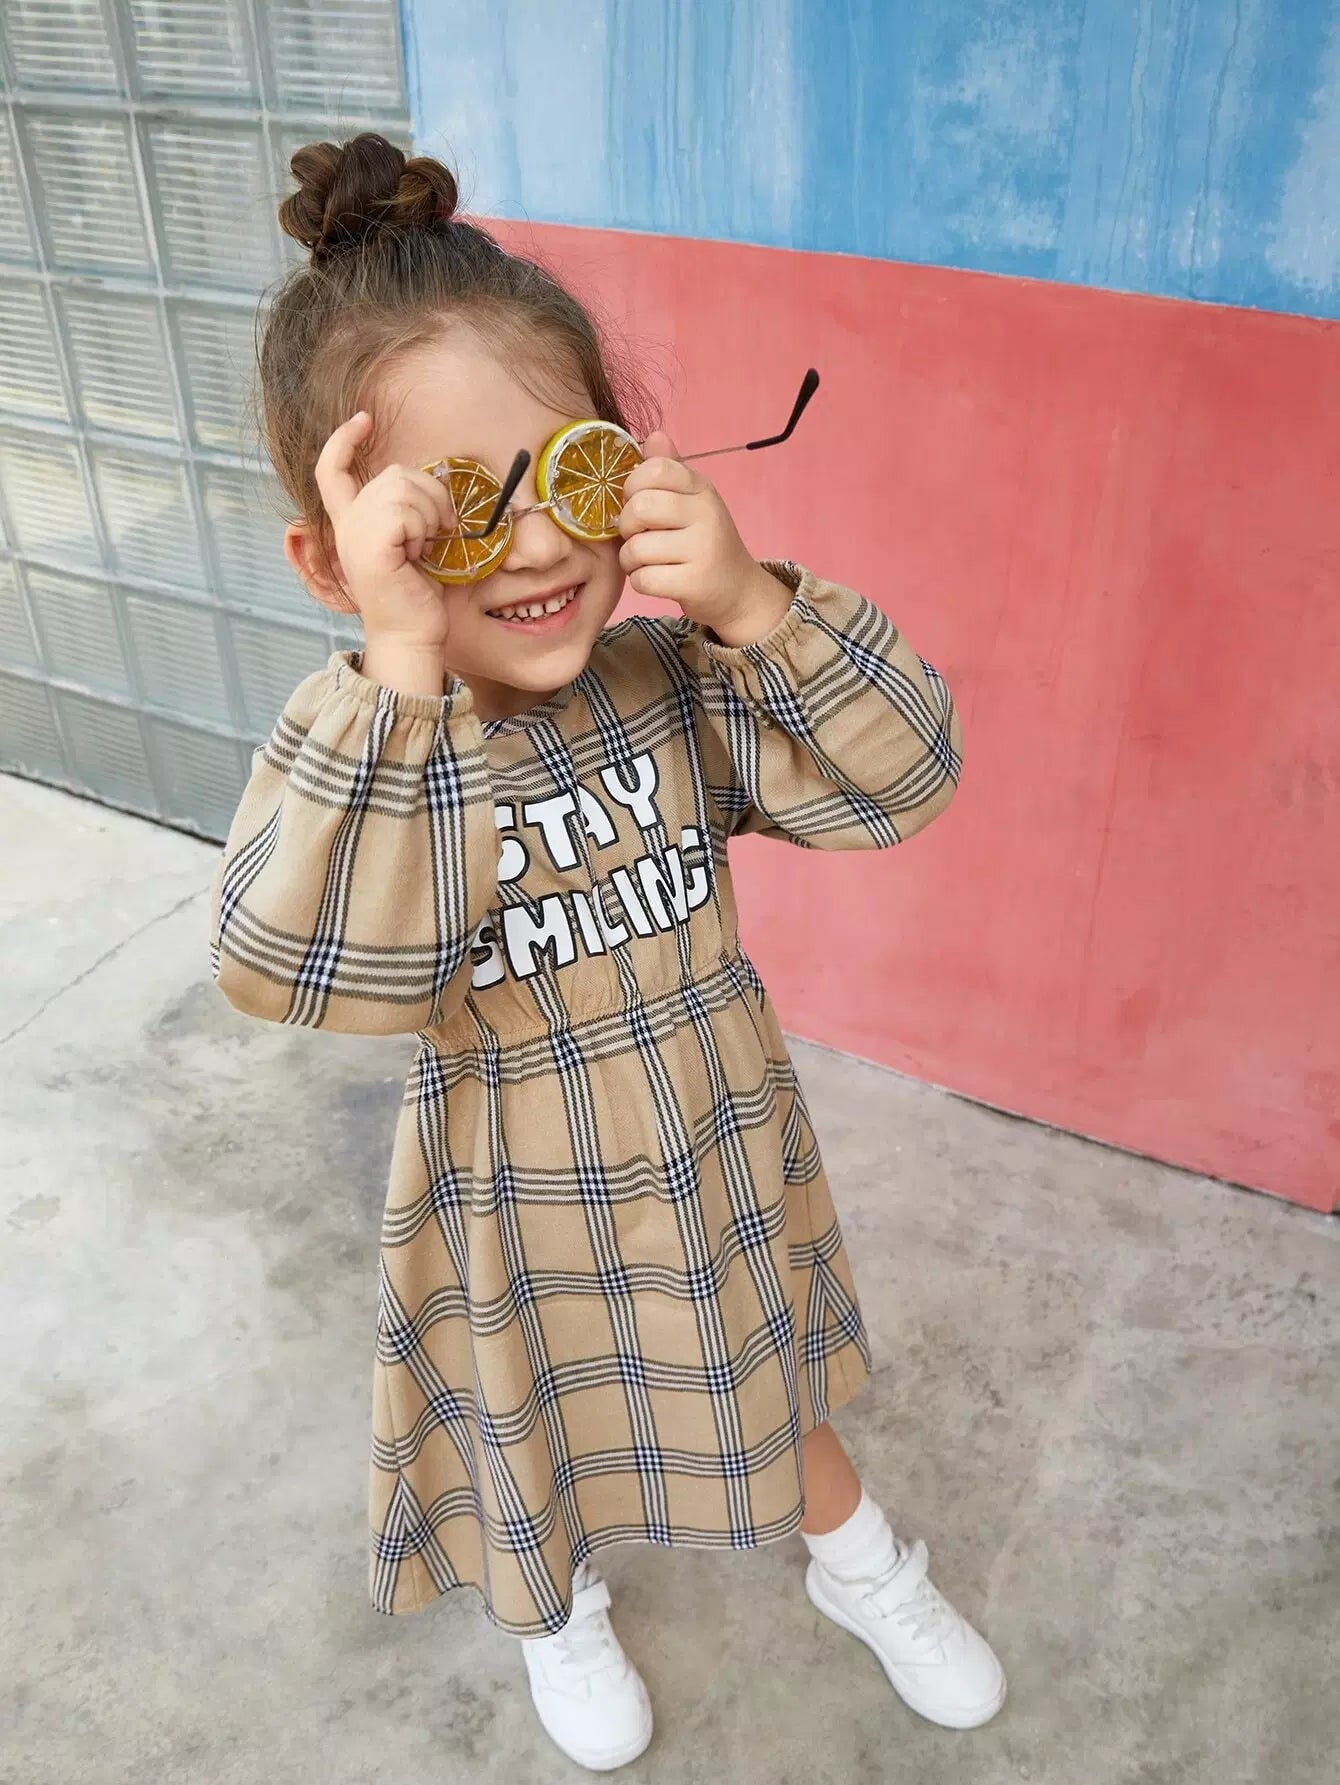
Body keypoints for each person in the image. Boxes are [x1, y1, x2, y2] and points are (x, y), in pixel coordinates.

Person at [210, 132, 1004, 1772]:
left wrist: (755, 604)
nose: (528, 547)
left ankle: (865, 1566)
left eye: (557, 474)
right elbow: (308, 965)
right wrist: (402, 673)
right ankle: (554, 1611)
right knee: (537, 1432)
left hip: (712, 1148)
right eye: (450, 513)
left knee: (769, 1384)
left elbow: (905, 779)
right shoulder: (364, 743)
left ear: (624, 469)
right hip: (513, 1195)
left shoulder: (677, 684)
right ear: (337, 557)